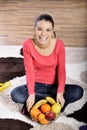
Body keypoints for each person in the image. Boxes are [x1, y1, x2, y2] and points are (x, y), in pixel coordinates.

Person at [11, 14, 83, 113]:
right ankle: (51, 104)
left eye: (48, 30)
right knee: (16, 94)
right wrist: (31, 94)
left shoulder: (59, 45)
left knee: (78, 91)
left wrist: (60, 92)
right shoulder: (27, 44)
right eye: (40, 29)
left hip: (54, 86)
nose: (43, 33)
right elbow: (29, 71)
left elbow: (61, 70)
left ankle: (39, 104)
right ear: (34, 30)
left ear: (53, 31)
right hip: (36, 86)